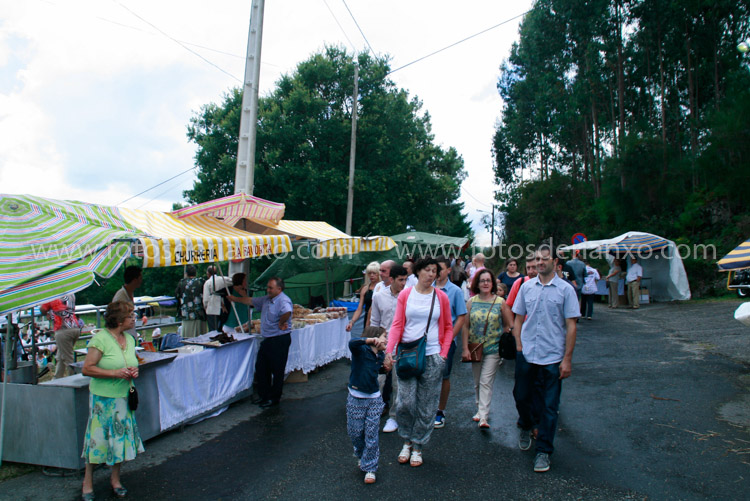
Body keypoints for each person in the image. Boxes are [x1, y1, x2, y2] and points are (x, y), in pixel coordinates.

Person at [512, 245, 579, 473]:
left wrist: (567, 359)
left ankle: (543, 451)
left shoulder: (566, 290)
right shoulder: (526, 287)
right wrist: (519, 345)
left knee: (550, 406)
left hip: (552, 356)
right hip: (527, 353)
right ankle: (526, 424)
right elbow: (518, 318)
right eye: (537, 259)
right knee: (521, 396)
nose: (540, 262)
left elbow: (571, 326)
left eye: (544, 259)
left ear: (555, 262)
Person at [384, 257, 453, 468]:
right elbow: (397, 324)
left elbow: (448, 327)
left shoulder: (441, 297)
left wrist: (443, 354)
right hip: (407, 354)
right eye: (428, 270)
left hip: (432, 355)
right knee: (405, 402)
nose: (431, 274)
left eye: (434, 271)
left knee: (427, 405)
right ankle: (406, 440)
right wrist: (389, 350)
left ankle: (418, 445)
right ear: (418, 272)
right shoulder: (406, 294)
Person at [81, 301, 144, 500]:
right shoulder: (100, 339)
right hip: (103, 400)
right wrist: (114, 373)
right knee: (97, 441)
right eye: (130, 316)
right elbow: (87, 368)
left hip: (123, 398)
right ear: (119, 320)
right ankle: (87, 483)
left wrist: (134, 370)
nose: (134, 319)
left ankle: (115, 479)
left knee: (119, 440)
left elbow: (132, 361)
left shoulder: (130, 339)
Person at [461, 269, 513, 428]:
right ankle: (479, 409)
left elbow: (509, 324)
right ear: (477, 283)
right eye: (482, 280)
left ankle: (483, 416)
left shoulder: (500, 302)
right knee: (477, 381)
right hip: (475, 347)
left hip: (493, 348)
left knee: (486, 381)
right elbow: (465, 326)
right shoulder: (471, 302)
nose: (485, 283)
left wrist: (506, 338)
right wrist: (465, 348)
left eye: (488, 280)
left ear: (493, 283)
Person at [229, 277, 293, 407]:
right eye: (268, 287)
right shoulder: (266, 299)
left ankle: (274, 398)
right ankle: (264, 395)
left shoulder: (283, 300)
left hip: (279, 339)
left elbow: (287, 311)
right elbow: (250, 300)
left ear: (279, 289)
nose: (268, 290)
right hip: (268, 339)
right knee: (262, 367)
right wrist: (234, 298)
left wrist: (281, 322)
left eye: (270, 288)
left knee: (277, 369)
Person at [346, 326, 387, 484]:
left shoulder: (381, 355)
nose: (386, 340)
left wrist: (386, 368)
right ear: (376, 337)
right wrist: (369, 340)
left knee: (371, 433)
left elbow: (374, 371)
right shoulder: (361, 350)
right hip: (356, 396)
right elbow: (352, 342)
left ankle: (370, 467)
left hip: (374, 398)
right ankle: (361, 453)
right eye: (384, 336)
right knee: (355, 432)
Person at [370, 265, 408, 433]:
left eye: (405, 279)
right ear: (391, 279)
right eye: (400, 280)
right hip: (383, 344)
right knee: (378, 380)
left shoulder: (409, 296)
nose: (403, 283)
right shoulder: (379, 296)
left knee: (397, 383)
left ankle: (394, 417)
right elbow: (374, 322)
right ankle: (373, 413)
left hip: (402, 344)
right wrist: (375, 344)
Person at [433, 256, 467, 429]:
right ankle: (426, 408)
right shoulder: (426, 287)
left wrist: (449, 339)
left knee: (444, 375)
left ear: (448, 270)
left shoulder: (455, 291)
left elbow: (461, 317)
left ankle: (440, 410)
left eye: (441, 269)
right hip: (427, 340)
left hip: (446, 341)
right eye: (435, 269)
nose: (437, 272)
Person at [40, 294, 83, 379]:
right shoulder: (71, 294)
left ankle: (74, 379)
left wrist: (47, 313)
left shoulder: (53, 296)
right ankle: (57, 377)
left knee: (68, 358)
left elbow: (42, 309)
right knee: (61, 356)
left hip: (62, 329)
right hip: (75, 327)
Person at [346, 262, 380, 333]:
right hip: (367, 319)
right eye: (369, 273)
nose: (371, 275)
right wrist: (352, 322)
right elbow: (359, 309)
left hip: (379, 319)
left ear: (379, 273)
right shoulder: (365, 289)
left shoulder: (383, 287)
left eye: (374, 273)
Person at [175, 265, 207, 338]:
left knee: (187, 337)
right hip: (200, 314)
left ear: (186, 273)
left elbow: (177, 295)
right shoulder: (201, 282)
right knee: (201, 336)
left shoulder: (182, 283)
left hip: (186, 314)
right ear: (195, 273)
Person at [112, 266, 143, 336]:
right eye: (140, 278)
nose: (141, 281)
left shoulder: (129, 293)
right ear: (134, 280)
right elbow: (116, 321)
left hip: (130, 335)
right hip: (123, 337)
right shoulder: (120, 298)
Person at [203, 266, 230, 332]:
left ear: (208, 273)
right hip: (223, 308)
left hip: (212, 308)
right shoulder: (224, 279)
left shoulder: (208, 283)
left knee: (213, 330)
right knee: (221, 328)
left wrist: (205, 307)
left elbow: (205, 299)